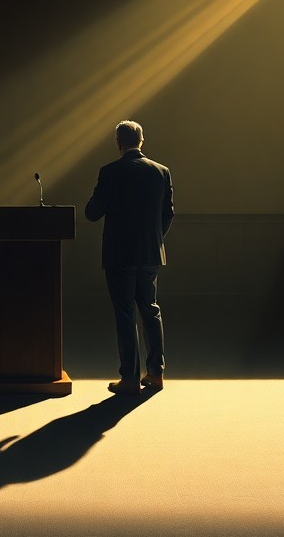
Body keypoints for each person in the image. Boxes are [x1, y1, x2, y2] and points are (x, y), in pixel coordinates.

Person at [84, 119, 173, 395]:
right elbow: (168, 213)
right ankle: (156, 373)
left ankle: (130, 379)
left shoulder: (109, 172)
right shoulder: (161, 172)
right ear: (141, 141)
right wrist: (154, 239)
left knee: (125, 314)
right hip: (149, 253)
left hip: (119, 254)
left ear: (118, 143)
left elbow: (92, 213)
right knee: (150, 309)